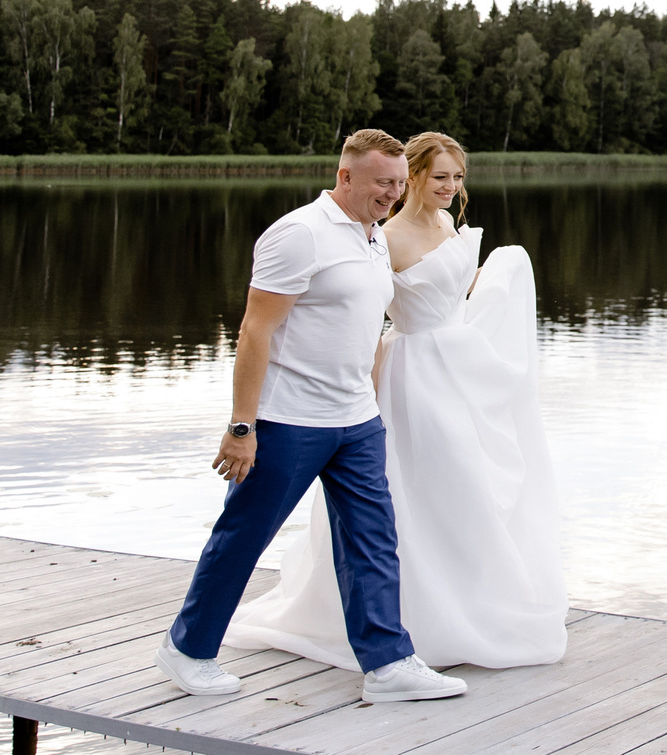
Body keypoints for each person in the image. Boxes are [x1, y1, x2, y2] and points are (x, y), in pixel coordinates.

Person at [229, 131, 568, 670]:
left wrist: (498, 282)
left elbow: (449, 288)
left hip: (458, 366)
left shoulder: (447, 224)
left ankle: (466, 602)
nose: (451, 187)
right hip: (413, 374)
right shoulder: (383, 238)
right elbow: (362, 311)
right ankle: (406, 621)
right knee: (415, 487)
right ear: (411, 177)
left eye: (458, 178)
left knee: (466, 486)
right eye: (440, 177)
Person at [155, 129, 466, 704]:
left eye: (399, 184)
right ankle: (188, 650)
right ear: (345, 176)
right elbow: (256, 330)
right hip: (289, 422)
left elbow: (368, 329)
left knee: (373, 541)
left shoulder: (375, 238)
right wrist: (242, 426)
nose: (393, 194)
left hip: (356, 420)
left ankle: (388, 664)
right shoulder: (300, 234)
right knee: (243, 537)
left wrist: (372, 406)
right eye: (382, 183)